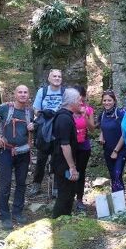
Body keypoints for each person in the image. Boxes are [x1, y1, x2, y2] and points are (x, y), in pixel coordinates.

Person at [0, 85, 35, 230]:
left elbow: (32, 131)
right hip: (6, 151)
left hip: (23, 152)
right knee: (5, 184)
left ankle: (17, 212)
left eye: (25, 92)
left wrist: (33, 128)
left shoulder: (30, 111)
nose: (23, 95)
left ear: (28, 95)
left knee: (21, 183)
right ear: (15, 94)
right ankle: (4, 216)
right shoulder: (5, 108)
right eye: (20, 92)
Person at [29, 69, 65, 197]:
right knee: (41, 158)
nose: (57, 78)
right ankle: (36, 184)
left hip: (59, 128)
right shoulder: (42, 91)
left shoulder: (64, 92)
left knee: (57, 158)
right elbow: (36, 109)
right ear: (49, 79)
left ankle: (56, 186)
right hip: (44, 128)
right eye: (54, 76)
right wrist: (44, 114)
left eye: (59, 76)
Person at [51, 88, 82, 218]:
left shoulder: (66, 116)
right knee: (65, 194)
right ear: (72, 102)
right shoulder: (64, 118)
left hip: (63, 162)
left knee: (69, 193)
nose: (81, 103)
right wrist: (72, 167)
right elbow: (65, 145)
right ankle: (57, 222)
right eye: (79, 100)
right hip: (62, 163)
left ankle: (65, 221)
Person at [72, 85, 96, 212]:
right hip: (69, 145)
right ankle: (67, 197)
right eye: (76, 96)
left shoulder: (88, 110)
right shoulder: (68, 109)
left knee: (80, 172)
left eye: (81, 95)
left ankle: (79, 199)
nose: (79, 98)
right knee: (68, 170)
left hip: (83, 145)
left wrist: (85, 115)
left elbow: (92, 128)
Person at [98, 90, 126, 193]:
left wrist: (116, 151)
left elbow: (124, 134)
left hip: (120, 150)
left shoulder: (121, 113)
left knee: (117, 174)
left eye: (109, 100)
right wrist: (101, 135)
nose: (107, 102)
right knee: (113, 176)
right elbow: (102, 127)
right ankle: (118, 201)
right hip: (107, 150)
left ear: (114, 101)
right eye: (104, 100)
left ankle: (120, 204)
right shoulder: (102, 115)